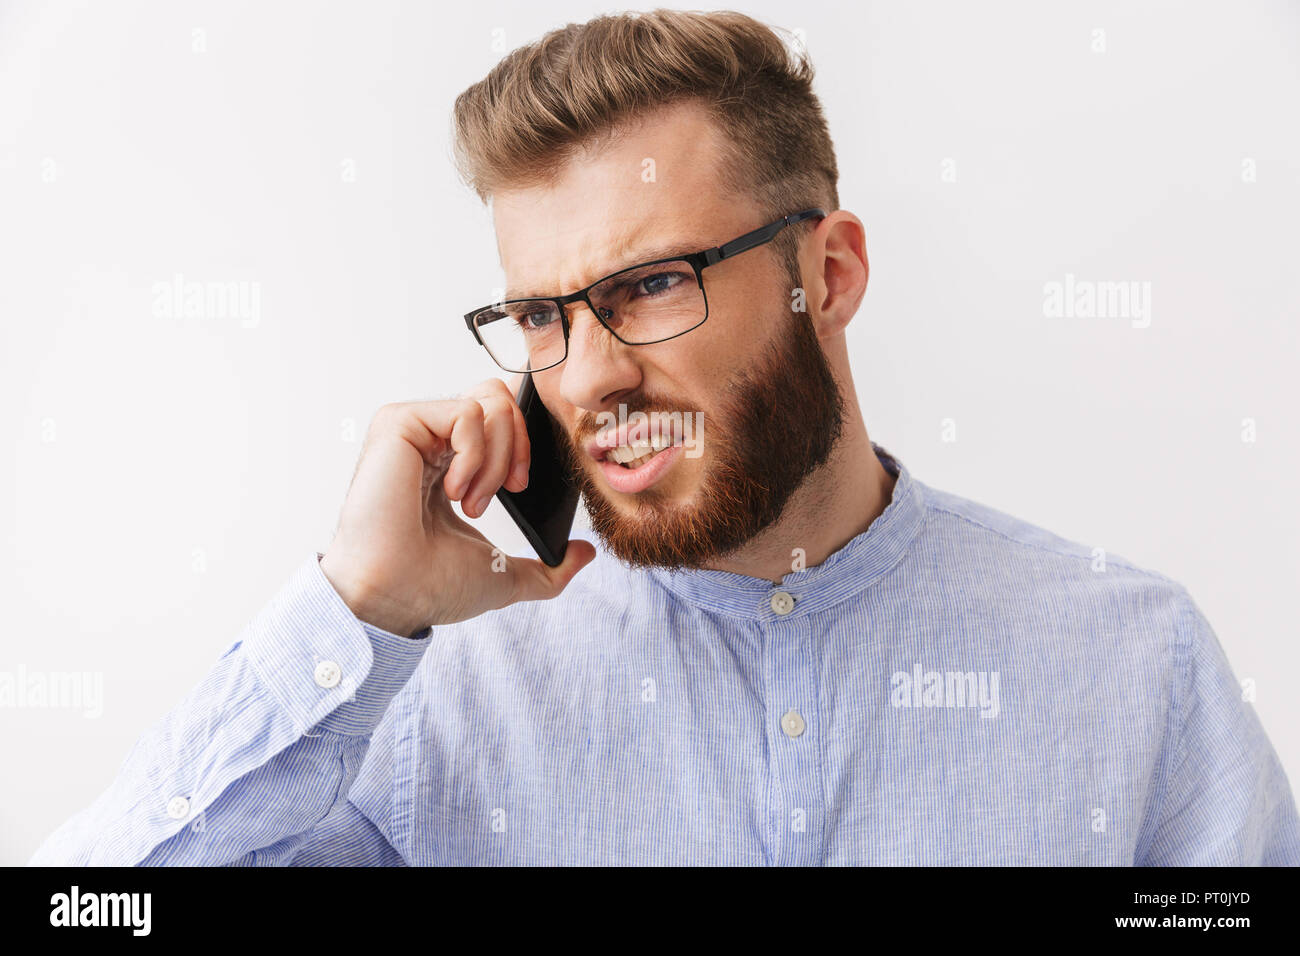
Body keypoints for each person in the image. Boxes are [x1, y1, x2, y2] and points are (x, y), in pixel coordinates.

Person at [30, 9, 1299, 866]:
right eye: (540, 314)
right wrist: (349, 608)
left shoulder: (1138, 671)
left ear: (831, 270)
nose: (587, 377)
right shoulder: (423, 710)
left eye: (648, 285)